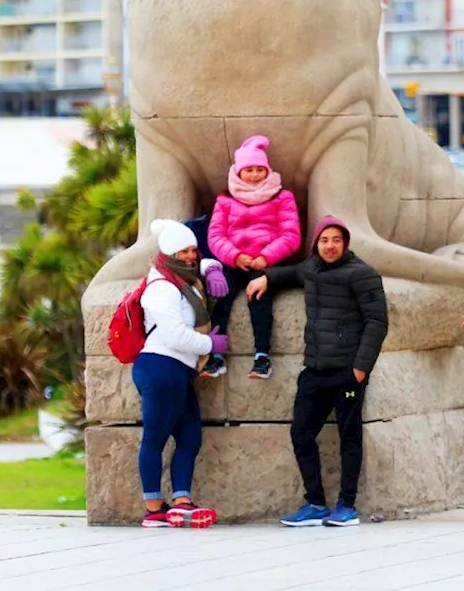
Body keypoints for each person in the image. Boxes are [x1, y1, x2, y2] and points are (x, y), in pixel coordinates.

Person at [246, 216, 387, 528]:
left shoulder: (363, 274)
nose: (330, 245)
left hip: (348, 371)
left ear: (345, 243)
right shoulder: (310, 268)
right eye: (324, 240)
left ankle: (347, 506)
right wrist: (265, 277)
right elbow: (291, 272)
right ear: (316, 244)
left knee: (349, 437)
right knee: (301, 432)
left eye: (336, 239)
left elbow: (377, 323)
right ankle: (316, 503)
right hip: (315, 369)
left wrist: (361, 368)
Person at [132, 218, 230, 529]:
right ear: (169, 254)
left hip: (180, 369)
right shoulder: (161, 288)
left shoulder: (184, 277)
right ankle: (152, 507)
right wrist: (209, 342)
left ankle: (182, 501)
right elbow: (174, 335)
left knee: (189, 437)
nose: (191, 256)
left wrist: (212, 268)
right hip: (160, 364)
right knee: (156, 436)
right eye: (183, 251)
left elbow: (203, 263)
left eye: (193, 250)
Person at [204, 135, 302, 380]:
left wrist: (266, 257)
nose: (255, 174)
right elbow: (215, 235)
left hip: (265, 262)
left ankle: (262, 356)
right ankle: (215, 356)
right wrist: (235, 256)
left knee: (259, 296)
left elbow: (291, 235)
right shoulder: (225, 200)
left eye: (260, 169)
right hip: (235, 261)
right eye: (249, 170)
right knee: (219, 294)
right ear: (239, 172)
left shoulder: (282, 197)